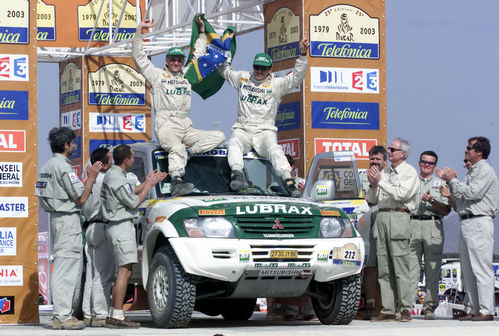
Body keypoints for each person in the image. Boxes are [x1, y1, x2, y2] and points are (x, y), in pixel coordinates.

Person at [132, 16, 225, 196]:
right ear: (166, 60)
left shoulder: (187, 75)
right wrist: (139, 31)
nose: (176, 62)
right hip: (166, 124)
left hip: (186, 124)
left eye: (179, 60)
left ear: (182, 61)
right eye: (173, 59)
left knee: (219, 136)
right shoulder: (157, 75)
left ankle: (190, 153)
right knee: (177, 148)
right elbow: (139, 58)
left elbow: (198, 54)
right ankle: (176, 181)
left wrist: (203, 33)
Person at [218, 34, 310, 197]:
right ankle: (237, 175)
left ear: (270, 69)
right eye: (256, 67)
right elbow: (224, 70)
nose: (259, 71)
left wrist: (302, 55)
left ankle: (289, 183)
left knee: (275, 149)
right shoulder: (243, 78)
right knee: (233, 142)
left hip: (265, 130)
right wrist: (227, 47)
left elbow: (297, 77)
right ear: (253, 66)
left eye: (263, 68)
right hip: (243, 128)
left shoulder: (277, 84)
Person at [35, 127, 102, 330]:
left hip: (57, 218)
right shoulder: (63, 167)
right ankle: (62, 316)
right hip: (67, 221)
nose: (74, 146)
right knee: (66, 268)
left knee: (64, 265)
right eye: (72, 143)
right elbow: (81, 198)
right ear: (65, 145)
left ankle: (63, 314)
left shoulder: (47, 165)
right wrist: (91, 177)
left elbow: (42, 197)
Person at [101, 145, 167, 328]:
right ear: (127, 160)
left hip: (120, 226)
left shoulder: (116, 175)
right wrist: (149, 188)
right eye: (131, 157)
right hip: (120, 226)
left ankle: (116, 313)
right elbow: (134, 201)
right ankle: (116, 315)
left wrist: (147, 182)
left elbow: (131, 190)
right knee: (124, 271)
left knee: (126, 271)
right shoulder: (115, 177)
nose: (132, 159)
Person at [435, 136, 498, 321]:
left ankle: (486, 310)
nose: (465, 150)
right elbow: (463, 197)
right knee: (468, 269)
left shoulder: (485, 170)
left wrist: (453, 180)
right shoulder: (472, 172)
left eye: (469, 148)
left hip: (479, 221)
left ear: (479, 151)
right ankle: (473, 308)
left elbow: (473, 192)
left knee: (480, 268)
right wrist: (450, 183)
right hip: (466, 220)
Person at [366, 138, 420, 322]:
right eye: (388, 149)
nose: (389, 152)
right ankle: (388, 309)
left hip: (399, 215)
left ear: (403, 153)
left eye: (392, 149)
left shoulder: (409, 172)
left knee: (400, 266)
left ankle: (405, 308)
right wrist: (373, 184)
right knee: (383, 267)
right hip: (382, 215)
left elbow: (402, 194)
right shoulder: (386, 172)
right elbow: (373, 199)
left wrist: (380, 181)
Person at [408, 150, 451, 320]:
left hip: (433, 224)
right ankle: (407, 306)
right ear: (419, 163)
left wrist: (432, 201)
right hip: (412, 223)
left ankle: (430, 307)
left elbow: (447, 210)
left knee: (433, 268)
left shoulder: (440, 184)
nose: (427, 165)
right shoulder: (411, 182)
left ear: (435, 166)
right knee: (411, 268)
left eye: (431, 163)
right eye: (424, 162)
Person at [81, 148, 114, 327]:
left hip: (90, 226)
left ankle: (87, 313)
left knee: (91, 275)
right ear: (103, 163)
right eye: (110, 159)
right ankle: (100, 314)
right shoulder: (106, 179)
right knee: (103, 275)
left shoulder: (89, 180)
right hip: (102, 226)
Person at [359, 145, 387, 320]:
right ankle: (369, 304)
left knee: (384, 266)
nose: (375, 162)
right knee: (369, 267)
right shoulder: (361, 177)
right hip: (364, 225)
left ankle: (389, 306)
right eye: (372, 159)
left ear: (385, 161)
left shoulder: (389, 178)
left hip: (383, 222)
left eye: (378, 159)